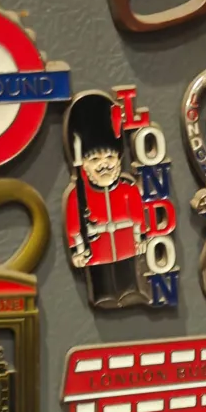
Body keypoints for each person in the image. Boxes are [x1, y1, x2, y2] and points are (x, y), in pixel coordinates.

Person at [63, 91, 148, 307]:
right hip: (97, 252)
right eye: (94, 159)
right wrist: (78, 252)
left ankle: (131, 292)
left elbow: (138, 216)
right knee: (102, 285)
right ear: (84, 165)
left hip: (126, 248)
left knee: (128, 278)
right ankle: (104, 296)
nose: (104, 164)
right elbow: (74, 228)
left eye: (110, 156)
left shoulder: (128, 190)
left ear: (119, 160)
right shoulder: (77, 196)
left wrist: (139, 239)